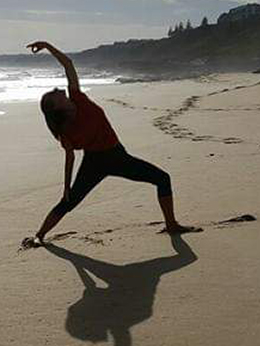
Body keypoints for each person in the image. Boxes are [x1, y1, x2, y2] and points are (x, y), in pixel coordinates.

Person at [21, 40, 198, 249]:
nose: (57, 89)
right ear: (55, 106)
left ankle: (171, 224)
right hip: (95, 162)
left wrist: (47, 46)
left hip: (117, 156)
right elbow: (69, 157)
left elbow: (68, 64)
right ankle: (39, 236)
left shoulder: (77, 97)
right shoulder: (65, 131)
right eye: (54, 94)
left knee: (162, 178)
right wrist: (66, 186)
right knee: (69, 202)